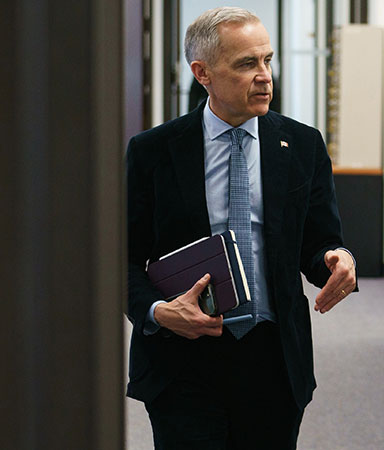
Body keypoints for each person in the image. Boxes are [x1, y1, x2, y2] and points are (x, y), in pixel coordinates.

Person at [126, 7, 357, 449]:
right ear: (203, 73)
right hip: (182, 358)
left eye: (267, 60)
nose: (265, 76)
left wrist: (338, 258)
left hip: (273, 359)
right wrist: (158, 311)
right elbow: (122, 259)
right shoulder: (153, 152)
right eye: (247, 64)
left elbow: (320, 242)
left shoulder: (302, 144)